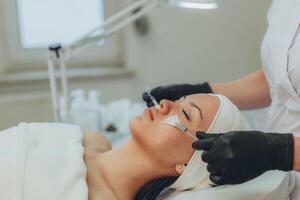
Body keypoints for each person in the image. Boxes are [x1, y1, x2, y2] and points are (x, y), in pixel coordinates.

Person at [142, 0, 300, 197]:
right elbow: (279, 81)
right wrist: (203, 89)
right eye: (181, 102)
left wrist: (285, 152)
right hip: (275, 175)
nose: (166, 106)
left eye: (186, 113)